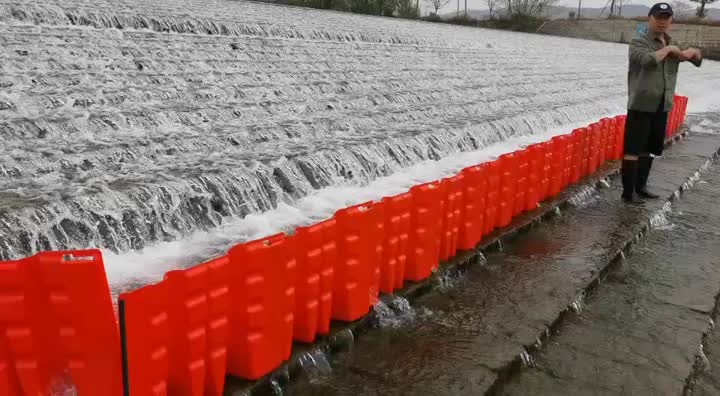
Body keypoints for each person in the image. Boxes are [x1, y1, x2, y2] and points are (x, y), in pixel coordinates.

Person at [621, 2, 703, 204]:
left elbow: (697, 61)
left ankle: (641, 188)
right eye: (658, 17)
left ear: (671, 20)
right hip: (641, 103)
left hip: (662, 104)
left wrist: (694, 53)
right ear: (650, 18)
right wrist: (668, 50)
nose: (662, 21)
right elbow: (647, 60)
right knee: (632, 149)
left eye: (666, 18)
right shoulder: (638, 41)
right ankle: (627, 193)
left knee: (649, 148)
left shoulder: (672, 42)